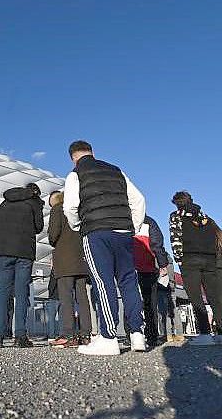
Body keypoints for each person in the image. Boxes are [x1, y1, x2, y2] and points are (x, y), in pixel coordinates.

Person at [63, 140, 147, 356]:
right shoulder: (116, 170)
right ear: (92, 152)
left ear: (72, 156)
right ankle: (137, 334)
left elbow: (71, 206)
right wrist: (133, 226)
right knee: (128, 281)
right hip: (124, 231)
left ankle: (109, 337)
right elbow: (138, 200)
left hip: (96, 232)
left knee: (102, 281)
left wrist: (77, 225)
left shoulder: (75, 174)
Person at [169, 191, 222, 346]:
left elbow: (175, 238)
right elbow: (215, 237)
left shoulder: (176, 216)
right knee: (214, 296)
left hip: (189, 258)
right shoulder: (206, 218)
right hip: (210, 259)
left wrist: (179, 259)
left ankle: (204, 333)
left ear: (177, 202)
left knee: (195, 295)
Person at [0, 182, 44, 348]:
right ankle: (20, 336)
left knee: (2, 294)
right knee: (21, 294)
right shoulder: (33, 203)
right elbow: (39, 227)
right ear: (34, 192)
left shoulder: (4, 203)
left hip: (4, 252)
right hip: (24, 253)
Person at [48, 191, 93, 349]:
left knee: (66, 297)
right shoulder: (80, 210)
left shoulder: (57, 210)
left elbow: (53, 235)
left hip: (65, 259)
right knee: (82, 297)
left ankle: (68, 334)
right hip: (81, 260)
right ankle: (85, 334)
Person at [133, 215, 173, 347]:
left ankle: (133, 334)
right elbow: (157, 244)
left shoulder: (122, 219)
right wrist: (162, 264)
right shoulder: (149, 221)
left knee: (130, 301)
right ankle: (152, 336)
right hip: (148, 267)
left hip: (128, 268)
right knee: (150, 304)